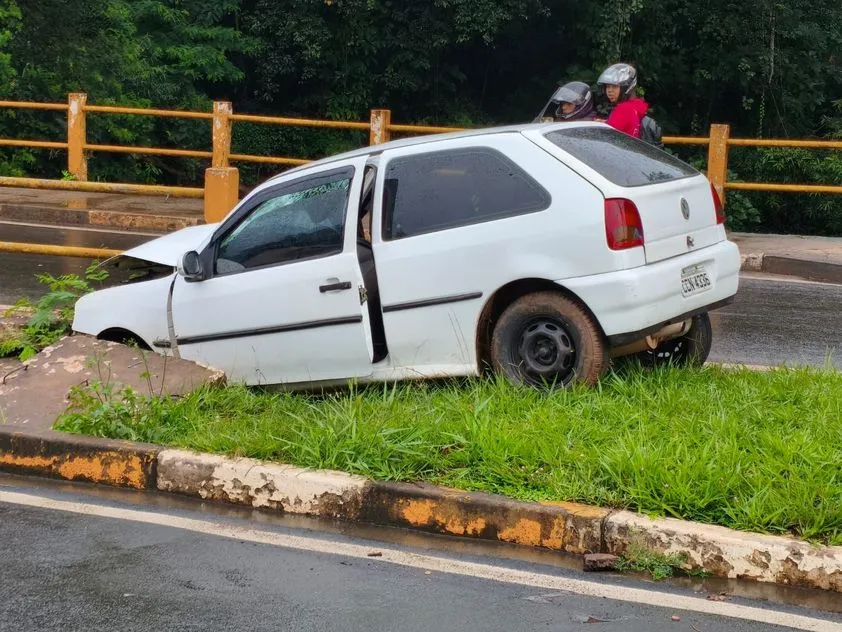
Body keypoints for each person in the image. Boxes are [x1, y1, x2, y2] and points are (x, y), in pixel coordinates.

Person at [596, 63, 649, 139]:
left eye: (615, 86)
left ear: (626, 88)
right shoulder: (635, 107)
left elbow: (607, 138)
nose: (610, 91)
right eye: (608, 86)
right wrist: (606, 123)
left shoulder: (623, 109)